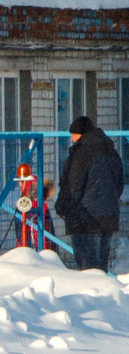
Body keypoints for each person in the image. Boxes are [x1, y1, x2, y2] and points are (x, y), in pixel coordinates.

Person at [56, 115, 122, 272]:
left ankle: (90, 296)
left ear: (80, 134)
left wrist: (62, 208)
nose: (72, 139)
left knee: (87, 270)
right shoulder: (111, 150)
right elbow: (118, 186)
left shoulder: (82, 154)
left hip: (85, 219)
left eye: (73, 135)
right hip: (108, 217)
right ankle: (104, 296)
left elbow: (73, 187)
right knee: (101, 268)